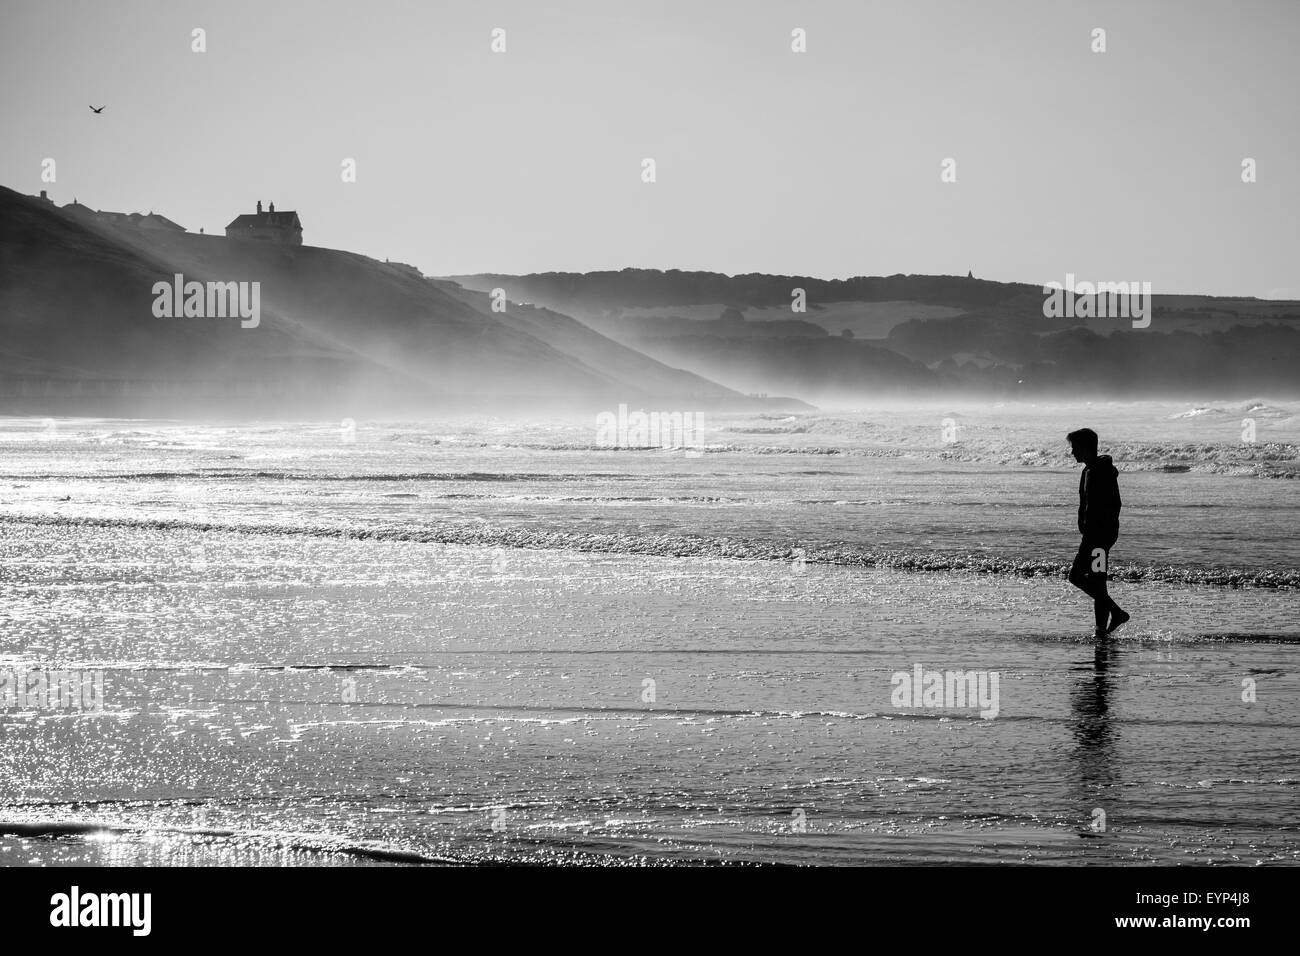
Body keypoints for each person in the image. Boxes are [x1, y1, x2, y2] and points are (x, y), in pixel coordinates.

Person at [1067, 428, 1130, 636]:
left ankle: (1116, 612)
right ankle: (1101, 630)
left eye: (1075, 448)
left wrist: (1101, 534)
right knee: (1098, 582)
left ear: (1085, 448)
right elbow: (1083, 503)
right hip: (1092, 536)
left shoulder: (1102, 472)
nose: (1072, 452)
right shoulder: (1087, 471)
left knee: (1075, 576)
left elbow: (1115, 505)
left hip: (1099, 538)